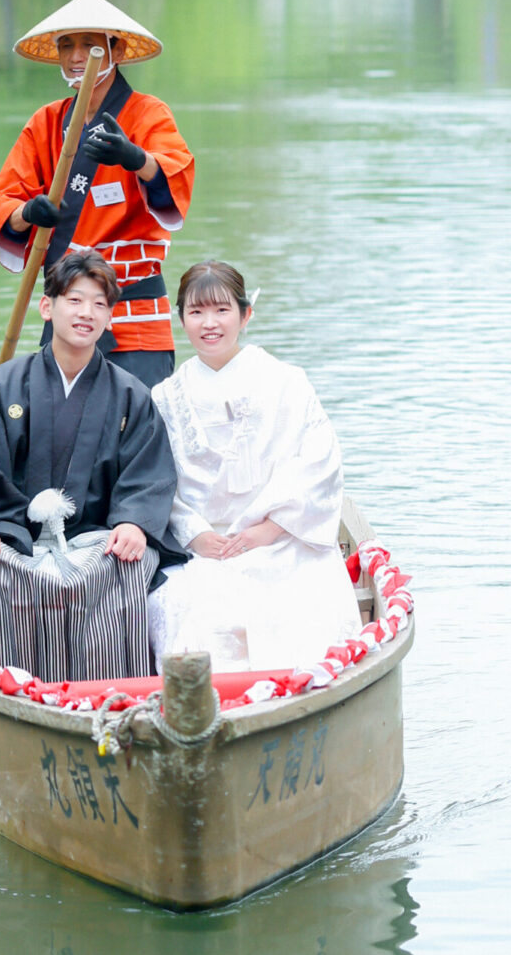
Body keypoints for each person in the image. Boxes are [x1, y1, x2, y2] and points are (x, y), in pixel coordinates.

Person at [0, 249, 183, 683]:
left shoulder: (130, 395)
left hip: (98, 541)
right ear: (48, 307)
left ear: (110, 318)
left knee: (133, 564)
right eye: (75, 300)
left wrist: (136, 523)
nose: (87, 313)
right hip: (14, 539)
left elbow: (149, 472)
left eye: (100, 304)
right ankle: (9, 684)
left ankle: (107, 690)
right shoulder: (3, 384)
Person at [148, 261, 362, 672]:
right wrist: (195, 535)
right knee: (191, 607)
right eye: (196, 312)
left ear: (246, 315)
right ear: (181, 319)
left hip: (285, 538)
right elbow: (156, 481)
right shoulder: (165, 397)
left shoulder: (286, 381)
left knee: (293, 605)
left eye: (222, 310)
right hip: (205, 548)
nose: (209, 323)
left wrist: (271, 529)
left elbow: (321, 463)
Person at [0, 0, 195, 390]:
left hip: (132, 315)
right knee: (57, 440)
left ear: (114, 51)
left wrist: (136, 158)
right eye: (66, 45)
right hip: (68, 316)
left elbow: (175, 174)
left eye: (88, 44)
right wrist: (28, 212)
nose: (77, 55)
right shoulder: (45, 123)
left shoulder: (147, 113)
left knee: (136, 433)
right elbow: (3, 199)